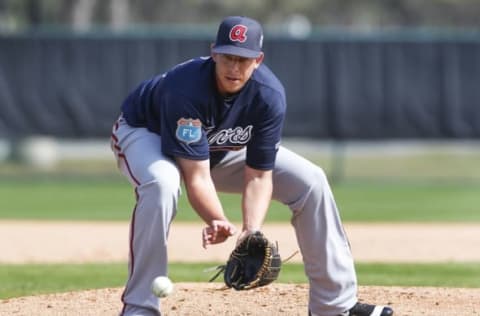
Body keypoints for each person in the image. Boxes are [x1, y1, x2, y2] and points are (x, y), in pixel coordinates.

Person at [111, 15, 394, 316]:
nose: (234, 67)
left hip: (216, 150)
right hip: (147, 134)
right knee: (162, 183)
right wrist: (216, 218)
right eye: (228, 57)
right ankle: (140, 308)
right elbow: (196, 176)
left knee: (311, 180)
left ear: (258, 60)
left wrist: (251, 230)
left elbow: (259, 174)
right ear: (214, 53)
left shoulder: (268, 96)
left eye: (243, 60)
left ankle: (335, 306)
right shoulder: (186, 88)